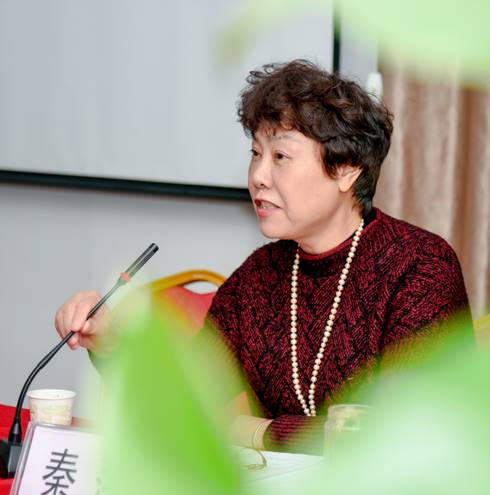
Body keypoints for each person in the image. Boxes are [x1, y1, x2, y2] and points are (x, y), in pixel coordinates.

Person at [55, 60, 472, 454]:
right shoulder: (259, 276)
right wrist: (111, 342)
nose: (257, 176)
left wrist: (256, 431)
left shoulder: (421, 266)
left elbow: (402, 436)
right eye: (256, 154)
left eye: (281, 157)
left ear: (346, 169)